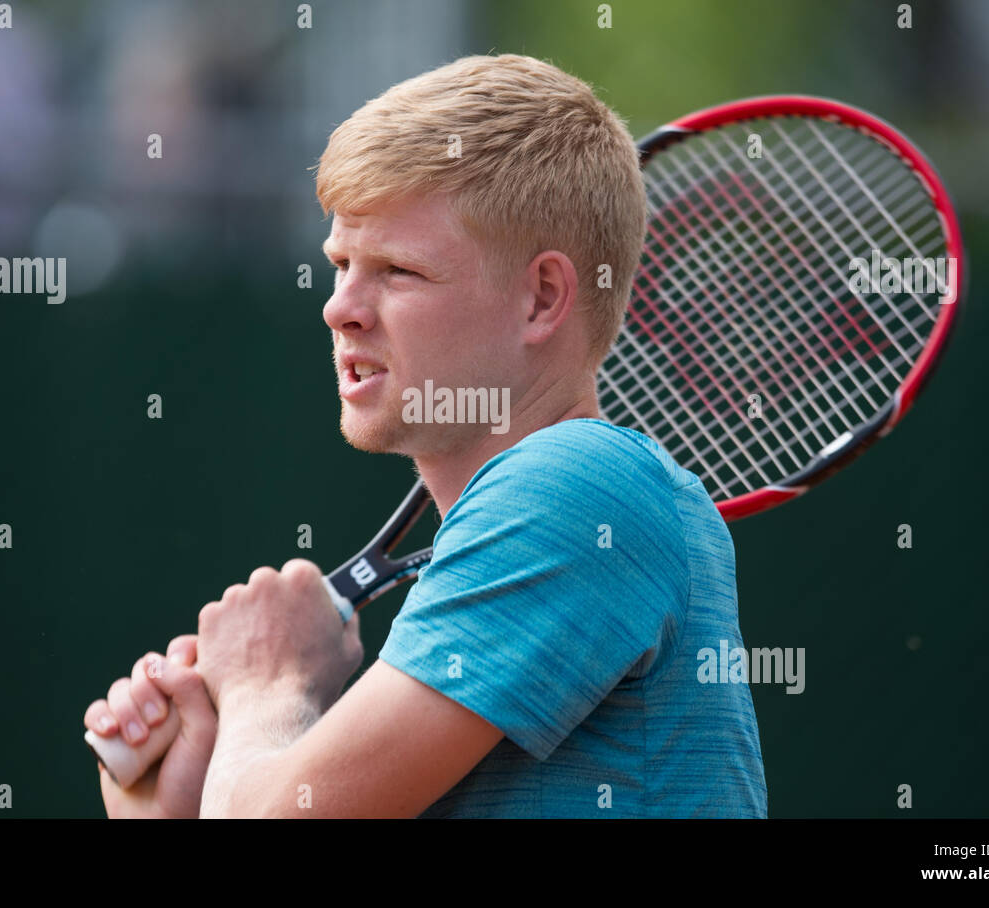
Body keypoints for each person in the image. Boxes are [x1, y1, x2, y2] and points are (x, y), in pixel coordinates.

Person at [83, 53, 767, 818]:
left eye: (397, 271)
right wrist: (176, 802)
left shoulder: (581, 483)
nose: (339, 307)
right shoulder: (520, 534)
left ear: (542, 298)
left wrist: (266, 684)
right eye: (340, 263)